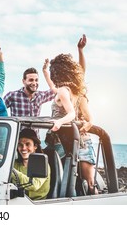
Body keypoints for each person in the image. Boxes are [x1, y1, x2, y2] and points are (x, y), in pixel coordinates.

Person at [45, 53, 97, 194]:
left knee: (59, 181)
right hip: (82, 139)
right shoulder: (77, 93)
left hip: (63, 140)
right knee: (90, 185)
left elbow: (71, 114)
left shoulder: (63, 91)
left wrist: (59, 122)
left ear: (57, 73)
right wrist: (44, 72)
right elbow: (87, 115)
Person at [12, 128, 51, 200]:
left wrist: (10, 170)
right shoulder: (14, 164)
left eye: (27, 144)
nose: (23, 148)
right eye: (20, 145)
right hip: (16, 201)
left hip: (36, 204)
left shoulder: (42, 164)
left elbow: (34, 185)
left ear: (35, 146)